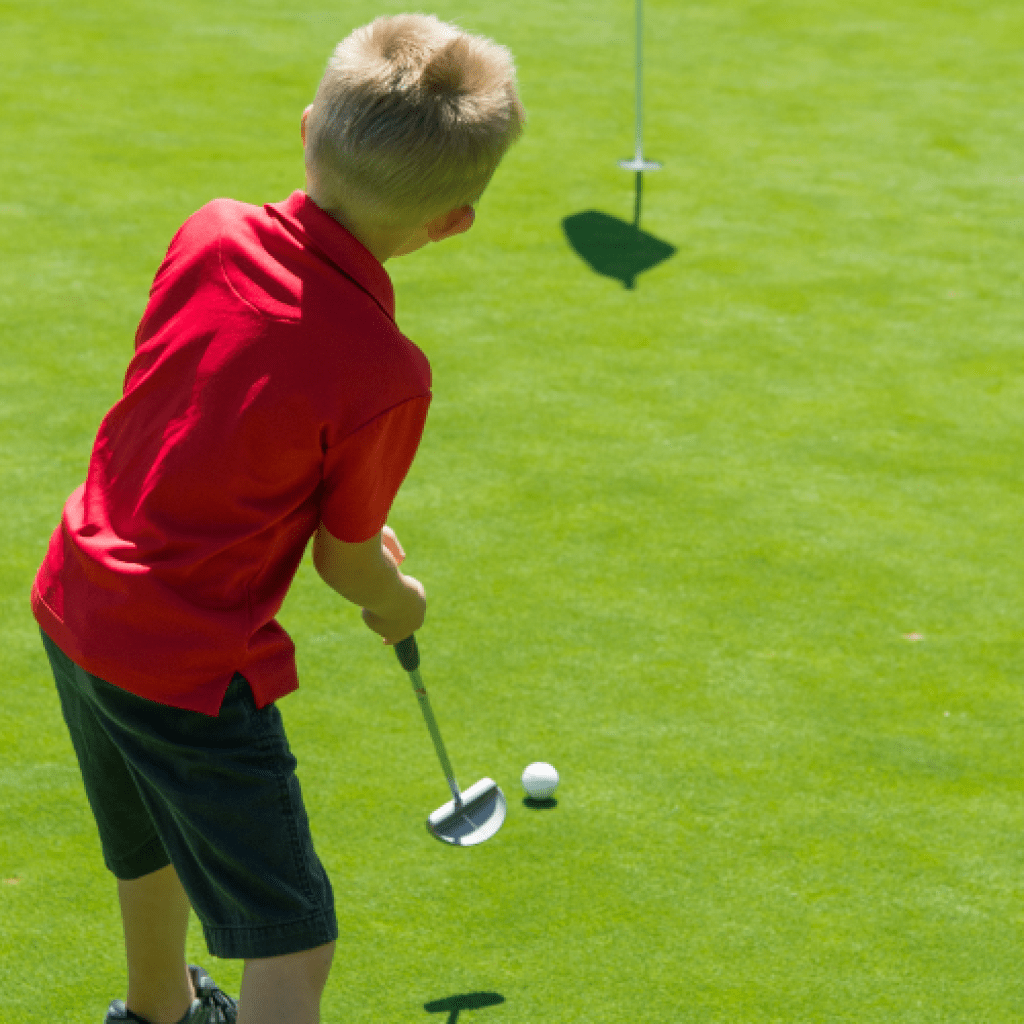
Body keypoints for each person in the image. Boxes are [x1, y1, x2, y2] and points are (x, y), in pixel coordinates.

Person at [30, 15, 525, 1024]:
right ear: (453, 221)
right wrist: (399, 598)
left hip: (78, 598)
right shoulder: (388, 373)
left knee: (148, 837)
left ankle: (157, 1009)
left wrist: (333, 526)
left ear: (308, 127)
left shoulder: (208, 230)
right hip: (189, 658)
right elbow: (349, 565)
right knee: (294, 934)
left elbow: (213, 412)